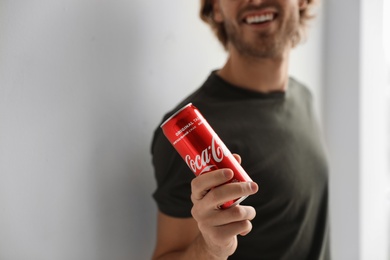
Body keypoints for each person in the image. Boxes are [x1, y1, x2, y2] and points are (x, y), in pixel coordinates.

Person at [150, 0, 330, 259]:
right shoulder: (191, 134)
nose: (255, 1)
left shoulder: (304, 97)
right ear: (216, 9)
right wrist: (211, 249)